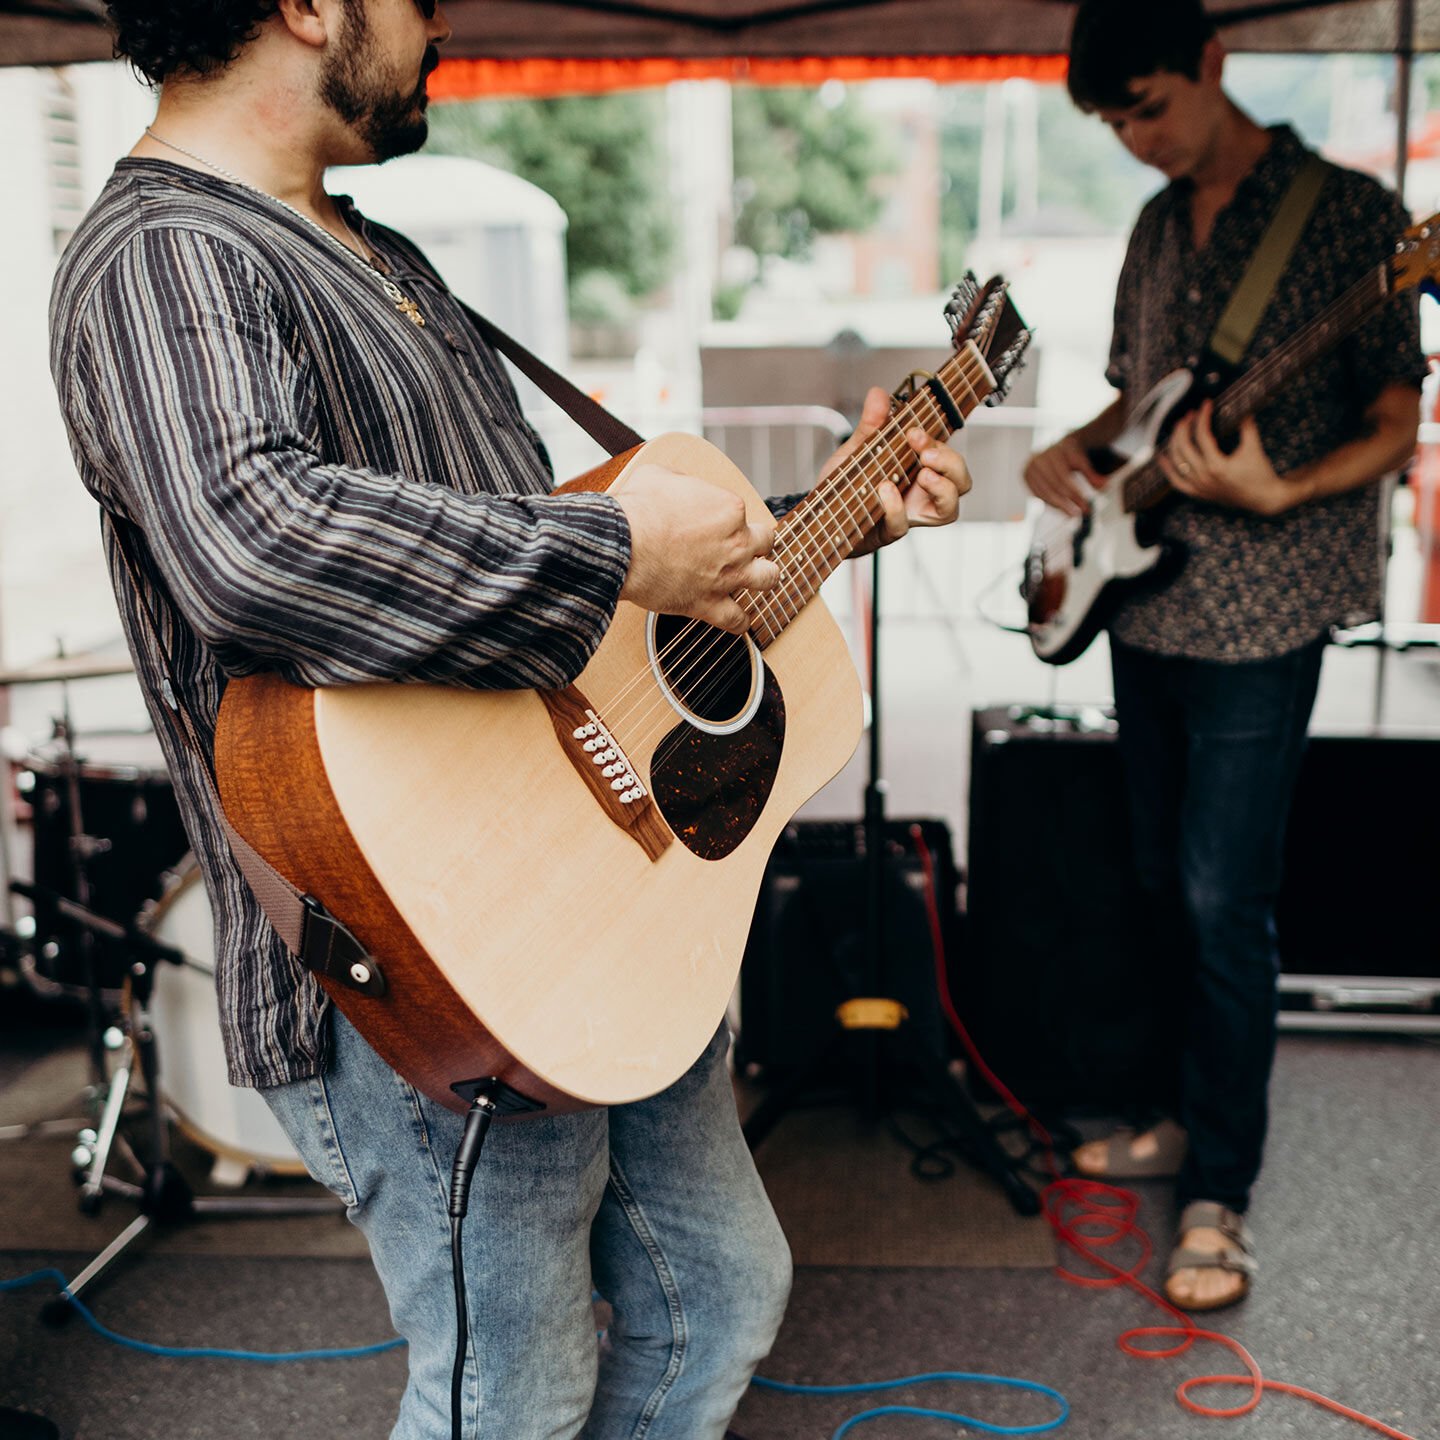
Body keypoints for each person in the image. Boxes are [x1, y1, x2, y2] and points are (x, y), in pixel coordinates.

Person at [48, 2, 969, 1435]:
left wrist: (837, 513)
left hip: (585, 909)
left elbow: (573, 609)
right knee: (513, 1396)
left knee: (718, 1290)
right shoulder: (167, 252)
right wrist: (620, 551)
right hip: (415, 949)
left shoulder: (382, 253)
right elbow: (251, 543)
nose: (444, 27)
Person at [1023, 0, 1425, 1313]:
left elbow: (1392, 425)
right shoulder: (1151, 227)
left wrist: (1278, 491)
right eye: (1110, 122)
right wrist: (1073, 458)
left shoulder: (1356, 222)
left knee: (1219, 895)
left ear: (1212, 61)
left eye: (1146, 106)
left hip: (1266, 603)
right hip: (1145, 605)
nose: (1136, 140)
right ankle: (1168, 1114)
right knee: (1149, 875)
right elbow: (1142, 398)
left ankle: (1221, 1192)